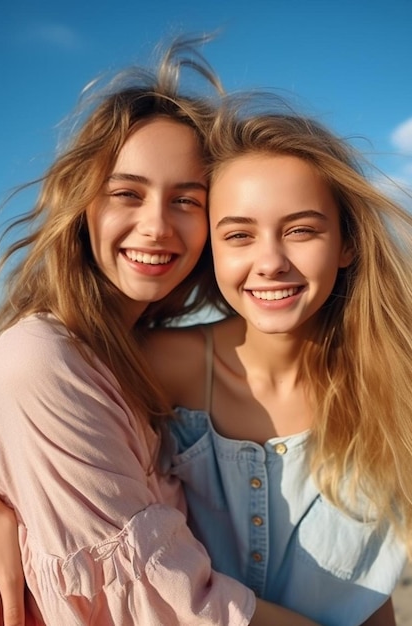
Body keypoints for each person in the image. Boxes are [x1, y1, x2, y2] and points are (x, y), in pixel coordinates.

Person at [0, 38, 321, 626]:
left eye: (186, 201)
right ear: (81, 203)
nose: (156, 226)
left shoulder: (132, 359)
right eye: (127, 193)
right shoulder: (44, 359)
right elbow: (170, 604)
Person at [143, 107, 412, 625]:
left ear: (347, 244)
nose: (270, 261)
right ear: (212, 251)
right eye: (239, 235)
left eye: (301, 231)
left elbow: (371, 591)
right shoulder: (161, 364)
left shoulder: (391, 385)